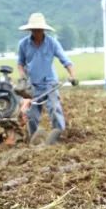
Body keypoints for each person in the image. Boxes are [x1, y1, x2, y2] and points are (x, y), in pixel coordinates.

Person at [16, 12, 78, 143]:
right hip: (32, 85)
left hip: (50, 83)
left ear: (43, 29)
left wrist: (72, 75)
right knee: (31, 115)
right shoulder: (23, 44)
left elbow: (66, 61)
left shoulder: (52, 43)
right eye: (34, 30)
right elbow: (20, 64)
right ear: (30, 30)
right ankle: (34, 140)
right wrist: (22, 78)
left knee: (55, 109)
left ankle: (59, 137)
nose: (37, 32)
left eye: (39, 30)